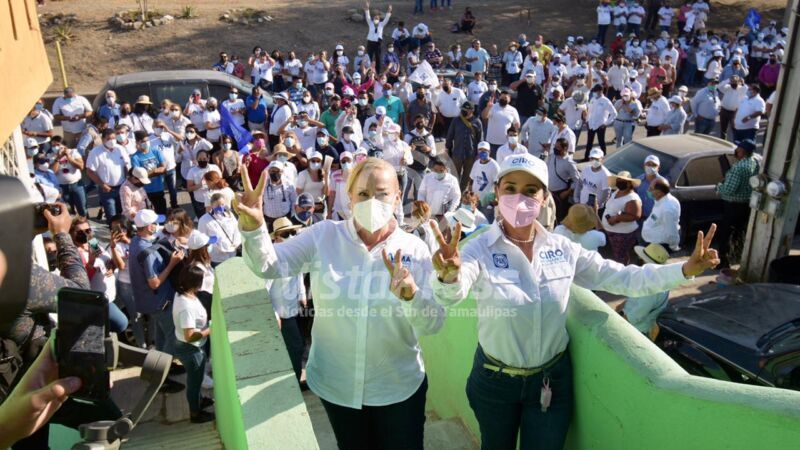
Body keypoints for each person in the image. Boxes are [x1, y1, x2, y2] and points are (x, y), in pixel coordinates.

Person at [429, 152, 719, 450]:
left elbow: (623, 278)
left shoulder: (562, 249)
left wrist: (684, 270)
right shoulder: (478, 249)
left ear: (544, 198)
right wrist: (448, 277)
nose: (519, 198)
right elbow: (451, 294)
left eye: (530, 190)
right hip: (495, 380)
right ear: (497, 192)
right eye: (510, 188)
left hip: (551, 381)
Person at [235, 158, 444, 449]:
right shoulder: (324, 235)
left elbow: (433, 323)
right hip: (337, 387)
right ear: (349, 197)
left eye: (382, 194)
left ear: (397, 197)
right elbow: (270, 265)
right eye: (363, 194)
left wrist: (411, 298)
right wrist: (254, 228)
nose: (372, 202)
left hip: (397, 388)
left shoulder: (415, 249)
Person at [263, 217, 307, 381]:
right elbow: (264, 289)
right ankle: (294, 381)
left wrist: (302, 295)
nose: (291, 236)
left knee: (296, 346)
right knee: (295, 347)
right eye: (286, 234)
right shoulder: (271, 259)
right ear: (276, 237)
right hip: (281, 315)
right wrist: (274, 314)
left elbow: (299, 275)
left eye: (293, 232)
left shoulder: (294, 252)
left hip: (295, 308)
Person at [171, 264, 215, 424]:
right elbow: (189, 336)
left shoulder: (182, 293)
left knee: (194, 380)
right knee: (194, 383)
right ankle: (195, 414)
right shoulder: (186, 307)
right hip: (191, 349)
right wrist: (209, 331)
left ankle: (199, 401)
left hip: (188, 346)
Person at [715, 138, 759, 268]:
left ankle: (723, 262)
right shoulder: (754, 162)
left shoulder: (738, 168)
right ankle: (737, 258)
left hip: (733, 206)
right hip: (746, 205)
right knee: (739, 233)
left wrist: (718, 187)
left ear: (743, 151)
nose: (736, 151)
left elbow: (729, 189)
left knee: (726, 234)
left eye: (738, 149)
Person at [621, 243, 671, 338]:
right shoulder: (661, 279)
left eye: (641, 259)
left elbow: (638, 313)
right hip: (639, 323)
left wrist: (621, 322)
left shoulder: (651, 286)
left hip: (636, 328)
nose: (639, 259)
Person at [86, 129, 132, 224]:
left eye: (113, 138)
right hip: (107, 190)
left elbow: (127, 166)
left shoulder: (120, 149)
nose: (112, 141)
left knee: (123, 215)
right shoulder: (95, 152)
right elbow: (90, 172)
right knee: (112, 217)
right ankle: (113, 231)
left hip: (122, 187)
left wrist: (128, 180)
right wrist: (102, 185)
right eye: (108, 139)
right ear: (103, 140)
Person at [602, 171, 643, 264]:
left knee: (620, 256)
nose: (620, 182)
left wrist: (617, 218)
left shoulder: (632, 198)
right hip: (612, 231)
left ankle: (622, 270)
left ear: (629, 183)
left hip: (622, 234)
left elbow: (636, 215)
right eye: (618, 180)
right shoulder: (617, 191)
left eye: (623, 181)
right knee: (615, 254)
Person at [446, 103, 483, 188]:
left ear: (472, 111)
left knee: (467, 177)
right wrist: (448, 148)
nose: (463, 111)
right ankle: (454, 191)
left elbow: (480, 139)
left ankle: (462, 192)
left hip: (471, 155)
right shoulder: (456, 120)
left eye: (466, 110)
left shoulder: (477, 122)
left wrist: (479, 154)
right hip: (457, 154)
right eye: (462, 109)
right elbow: (450, 136)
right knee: (454, 176)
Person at [198, 193, 241, 266]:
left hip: (233, 252)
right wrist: (213, 242)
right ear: (212, 205)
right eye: (218, 205)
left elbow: (236, 228)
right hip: (217, 258)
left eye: (222, 204)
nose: (221, 207)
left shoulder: (229, 215)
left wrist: (236, 242)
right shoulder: (204, 220)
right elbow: (202, 239)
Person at [130, 131, 167, 214]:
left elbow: (164, 168)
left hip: (159, 188)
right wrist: (155, 171)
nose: (146, 142)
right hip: (146, 191)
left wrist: (148, 173)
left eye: (147, 140)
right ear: (137, 142)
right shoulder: (135, 157)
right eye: (143, 141)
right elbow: (139, 176)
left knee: (162, 212)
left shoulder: (156, 151)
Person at [641, 179, 681, 251]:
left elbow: (671, 232)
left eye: (651, 189)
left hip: (660, 246)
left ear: (659, 192)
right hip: (653, 242)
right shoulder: (660, 201)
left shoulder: (667, 209)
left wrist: (673, 247)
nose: (648, 190)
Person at [548, 138, 580, 222]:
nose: (555, 149)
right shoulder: (552, 156)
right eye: (555, 146)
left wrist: (567, 192)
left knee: (559, 218)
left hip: (560, 195)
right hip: (549, 192)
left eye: (558, 147)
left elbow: (577, 181)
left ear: (565, 148)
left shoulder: (569, 163)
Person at [482, 90, 521, 158]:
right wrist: (488, 107)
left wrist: (515, 138)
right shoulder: (492, 107)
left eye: (505, 98)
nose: (503, 99)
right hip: (492, 143)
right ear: (499, 98)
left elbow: (517, 125)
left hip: (506, 144)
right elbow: (484, 116)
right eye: (502, 97)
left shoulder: (513, 110)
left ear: (509, 99)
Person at [262, 161, 297, 232]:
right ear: (269, 171)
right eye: (272, 171)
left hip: (285, 219)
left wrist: (292, 216)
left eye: (277, 171)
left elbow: (294, 201)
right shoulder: (263, 185)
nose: (275, 173)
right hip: (269, 220)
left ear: (282, 172)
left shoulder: (289, 185)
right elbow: (259, 201)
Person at [186, 150, 222, 219]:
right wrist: (200, 185)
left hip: (215, 200)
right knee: (202, 220)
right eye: (200, 159)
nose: (202, 161)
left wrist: (212, 183)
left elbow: (220, 181)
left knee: (216, 219)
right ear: (197, 159)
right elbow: (189, 188)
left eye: (204, 159)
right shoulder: (192, 171)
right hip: (200, 202)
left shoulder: (214, 168)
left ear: (208, 158)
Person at [585, 84, 617, 158]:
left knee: (601, 142)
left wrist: (606, 123)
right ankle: (586, 158)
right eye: (594, 91)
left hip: (600, 126)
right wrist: (587, 120)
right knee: (589, 142)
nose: (594, 92)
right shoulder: (593, 99)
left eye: (596, 91)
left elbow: (614, 113)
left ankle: (604, 157)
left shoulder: (606, 101)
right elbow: (589, 111)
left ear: (601, 91)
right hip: (591, 124)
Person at [364, 2, 393, 72]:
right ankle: (369, 71)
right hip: (370, 42)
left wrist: (389, 10)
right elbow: (367, 16)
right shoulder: (370, 23)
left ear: (379, 20)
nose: (376, 19)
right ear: (373, 19)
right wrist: (367, 8)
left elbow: (386, 18)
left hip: (378, 43)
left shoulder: (381, 24)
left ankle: (377, 71)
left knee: (378, 57)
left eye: (377, 18)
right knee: (369, 57)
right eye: (375, 18)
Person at [718, 76, 746, 140]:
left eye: (735, 81)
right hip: (724, 110)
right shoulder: (727, 87)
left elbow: (746, 89)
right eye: (732, 81)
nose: (733, 83)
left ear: (738, 82)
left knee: (735, 128)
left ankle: (736, 142)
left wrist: (743, 82)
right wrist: (728, 79)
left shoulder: (741, 89)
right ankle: (723, 141)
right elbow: (719, 86)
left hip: (734, 113)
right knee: (723, 129)